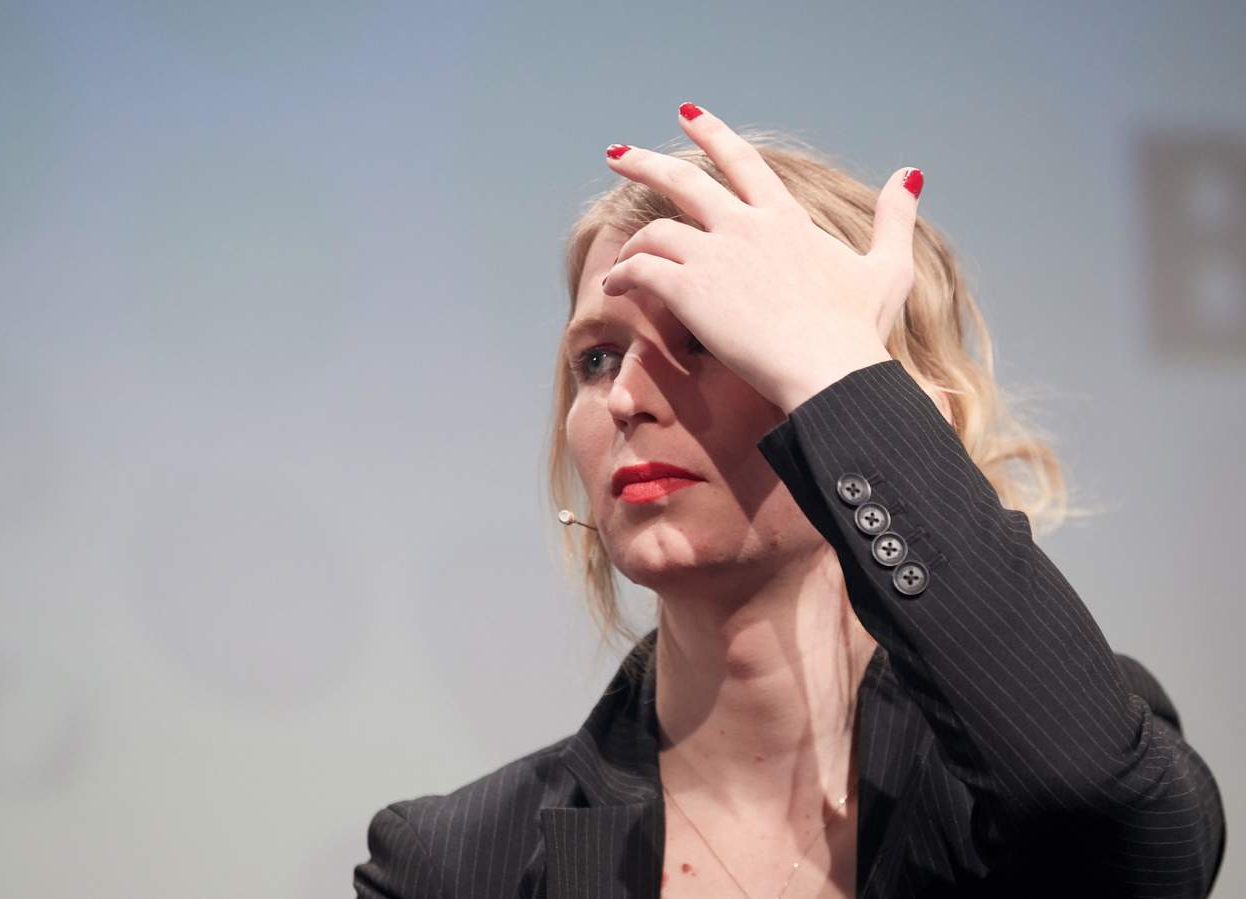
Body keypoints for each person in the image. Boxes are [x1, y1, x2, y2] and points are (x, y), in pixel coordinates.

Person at [353, 102, 1227, 898]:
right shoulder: (454, 865)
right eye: (598, 357)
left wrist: (839, 375)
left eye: (706, 336)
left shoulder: (1051, 764)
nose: (626, 398)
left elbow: (1105, 809)